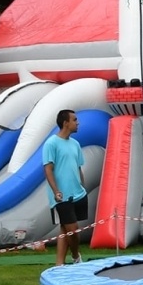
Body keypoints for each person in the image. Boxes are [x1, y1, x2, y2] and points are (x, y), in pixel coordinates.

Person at [42, 109, 86, 265]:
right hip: (61, 196)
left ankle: (59, 264)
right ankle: (76, 257)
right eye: (74, 120)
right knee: (72, 231)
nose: (77, 122)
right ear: (65, 123)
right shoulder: (51, 143)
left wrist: (83, 187)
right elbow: (48, 169)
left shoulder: (75, 144)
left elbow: (79, 168)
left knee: (65, 229)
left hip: (78, 193)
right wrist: (56, 192)